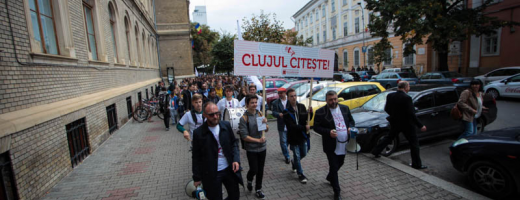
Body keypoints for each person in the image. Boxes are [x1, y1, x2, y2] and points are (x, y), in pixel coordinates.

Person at [371, 81, 428, 169]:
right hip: (407, 124)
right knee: (414, 143)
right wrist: (420, 125)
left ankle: (376, 151)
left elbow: (387, 108)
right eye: (409, 86)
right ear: (405, 87)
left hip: (395, 122)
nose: (409, 88)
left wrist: (394, 116)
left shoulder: (390, 96)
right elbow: (411, 114)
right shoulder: (407, 98)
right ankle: (416, 164)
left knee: (389, 137)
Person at [192, 102, 242, 200]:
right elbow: (196, 156)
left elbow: (234, 143)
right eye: (211, 114)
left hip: (229, 169)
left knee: (235, 196)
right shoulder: (198, 133)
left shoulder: (226, 125)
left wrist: (236, 160)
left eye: (217, 113)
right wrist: (197, 177)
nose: (215, 116)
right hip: (211, 173)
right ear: (204, 115)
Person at [313, 90, 355, 200]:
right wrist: (328, 132)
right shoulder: (320, 112)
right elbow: (316, 127)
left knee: (340, 162)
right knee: (334, 165)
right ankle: (337, 192)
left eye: (335, 99)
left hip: (344, 142)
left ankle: (330, 176)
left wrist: (350, 127)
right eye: (331, 100)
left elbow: (351, 121)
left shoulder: (345, 108)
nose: (333, 101)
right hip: (331, 144)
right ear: (326, 100)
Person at [239, 95, 268, 198]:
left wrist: (266, 124)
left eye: (256, 102)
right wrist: (257, 140)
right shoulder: (244, 118)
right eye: (252, 103)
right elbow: (244, 136)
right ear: (247, 104)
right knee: (254, 169)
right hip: (251, 148)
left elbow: (265, 130)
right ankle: (249, 179)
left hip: (262, 147)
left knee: (260, 169)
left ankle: (258, 189)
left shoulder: (260, 114)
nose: (255, 104)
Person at [283, 88, 312, 184]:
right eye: (291, 96)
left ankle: (294, 163)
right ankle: (301, 174)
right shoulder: (286, 112)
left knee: (304, 153)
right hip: (293, 137)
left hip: (303, 136)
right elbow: (291, 127)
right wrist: (304, 127)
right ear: (288, 98)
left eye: (295, 95)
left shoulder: (302, 106)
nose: (294, 98)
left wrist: (310, 113)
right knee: (297, 155)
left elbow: (306, 120)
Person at [271, 87, 291, 164]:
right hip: (281, 124)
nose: (280, 94)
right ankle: (287, 156)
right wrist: (279, 114)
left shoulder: (290, 100)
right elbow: (273, 113)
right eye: (279, 93)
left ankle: (284, 149)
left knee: (288, 140)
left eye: (281, 93)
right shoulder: (275, 102)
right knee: (283, 141)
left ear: (285, 93)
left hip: (290, 124)